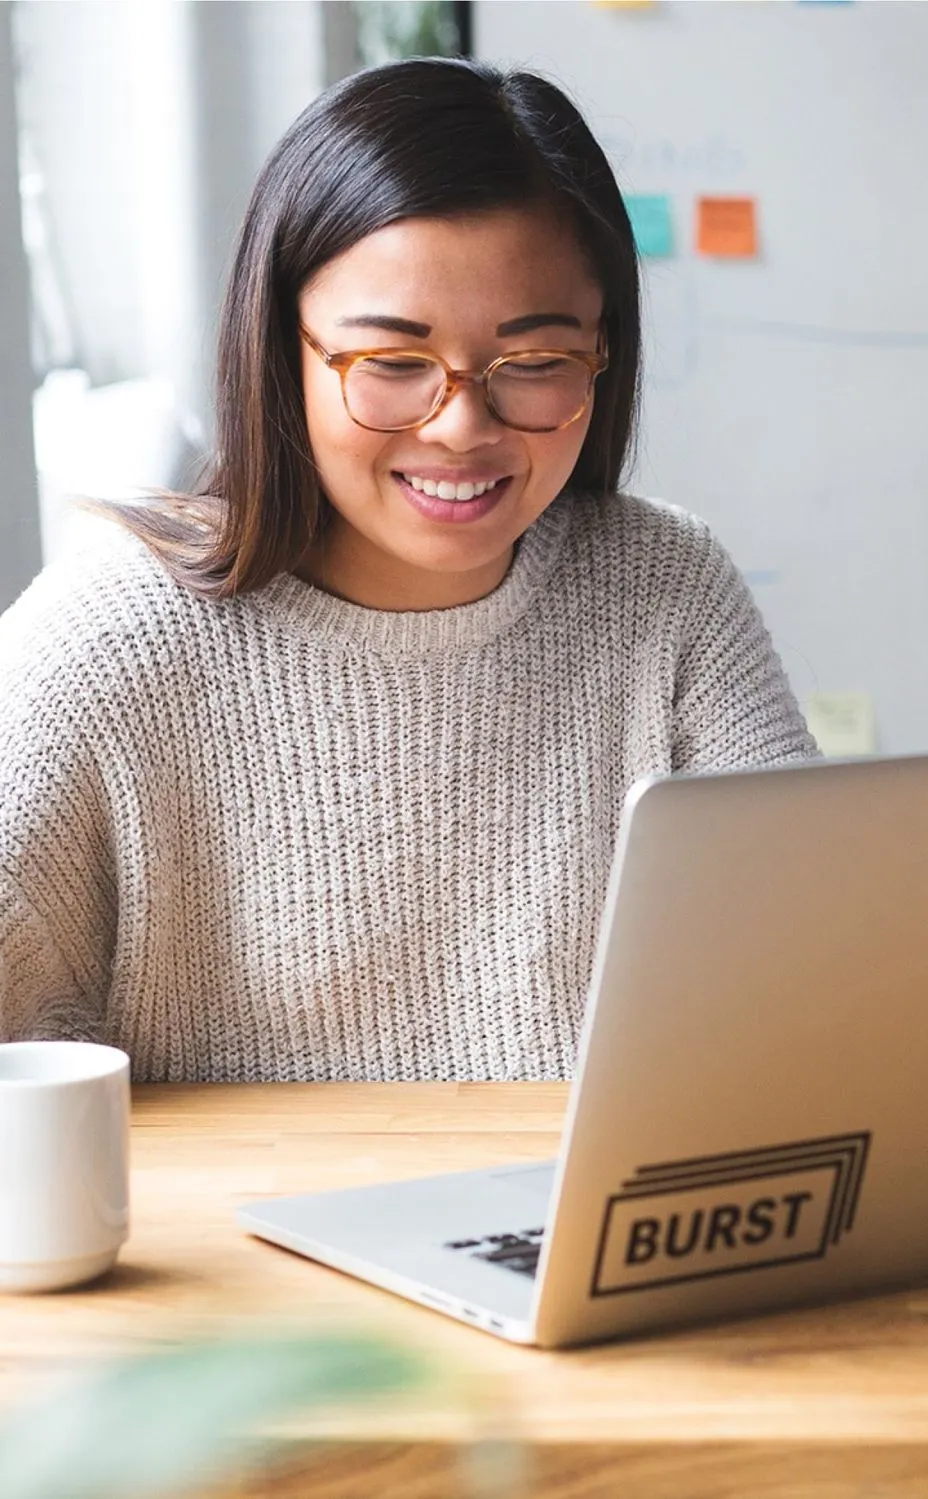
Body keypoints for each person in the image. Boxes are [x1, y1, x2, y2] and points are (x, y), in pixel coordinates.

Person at [0, 59, 817, 1083]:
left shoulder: (667, 589)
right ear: (278, 351)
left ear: (604, 353)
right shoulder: (107, 635)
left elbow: (815, 977)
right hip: (213, 1239)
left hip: (575, 1229)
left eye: (533, 364)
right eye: (391, 364)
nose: (462, 424)